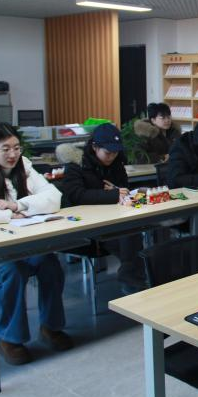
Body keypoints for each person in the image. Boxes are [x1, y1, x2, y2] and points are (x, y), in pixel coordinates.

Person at [0, 123, 71, 365]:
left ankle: (51, 327)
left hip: (17, 243)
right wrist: (7, 215)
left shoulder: (24, 166)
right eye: (5, 149)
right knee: (13, 271)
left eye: (17, 148)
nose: (13, 154)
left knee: (50, 263)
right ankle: (10, 339)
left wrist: (19, 205)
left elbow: (54, 197)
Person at [60, 123, 145, 293]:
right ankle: (133, 282)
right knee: (128, 237)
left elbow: (123, 187)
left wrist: (115, 190)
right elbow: (77, 195)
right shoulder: (76, 165)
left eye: (115, 152)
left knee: (133, 230)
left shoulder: (116, 163)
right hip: (84, 224)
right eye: (108, 152)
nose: (112, 156)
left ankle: (135, 279)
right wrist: (111, 194)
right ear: (94, 147)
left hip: (113, 217)